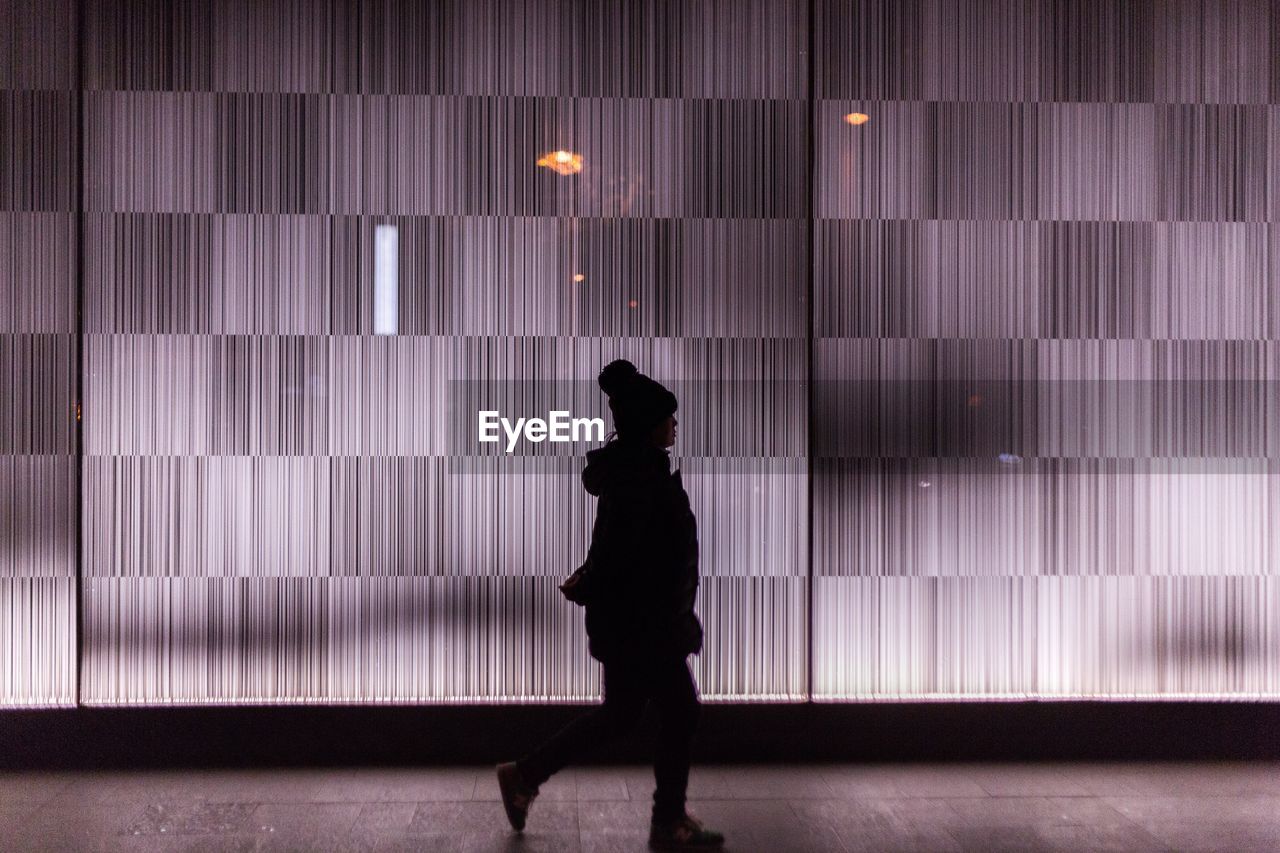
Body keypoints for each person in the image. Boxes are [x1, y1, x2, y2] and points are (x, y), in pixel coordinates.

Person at [496, 359, 725, 850]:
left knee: (620, 716)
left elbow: (622, 552)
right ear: (649, 424)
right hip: (646, 628)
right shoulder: (641, 480)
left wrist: (596, 577)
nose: (675, 425)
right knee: (680, 711)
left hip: (638, 625)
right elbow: (635, 557)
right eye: (669, 417)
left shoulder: (636, 474)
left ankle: (525, 775)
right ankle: (668, 822)